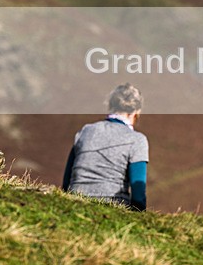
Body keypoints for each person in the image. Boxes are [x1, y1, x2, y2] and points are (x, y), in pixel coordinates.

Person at [62, 83, 148, 211]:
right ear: (136, 112)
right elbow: (138, 196)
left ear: (110, 106)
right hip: (114, 208)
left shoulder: (85, 131)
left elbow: (66, 182)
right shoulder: (137, 140)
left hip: (74, 203)